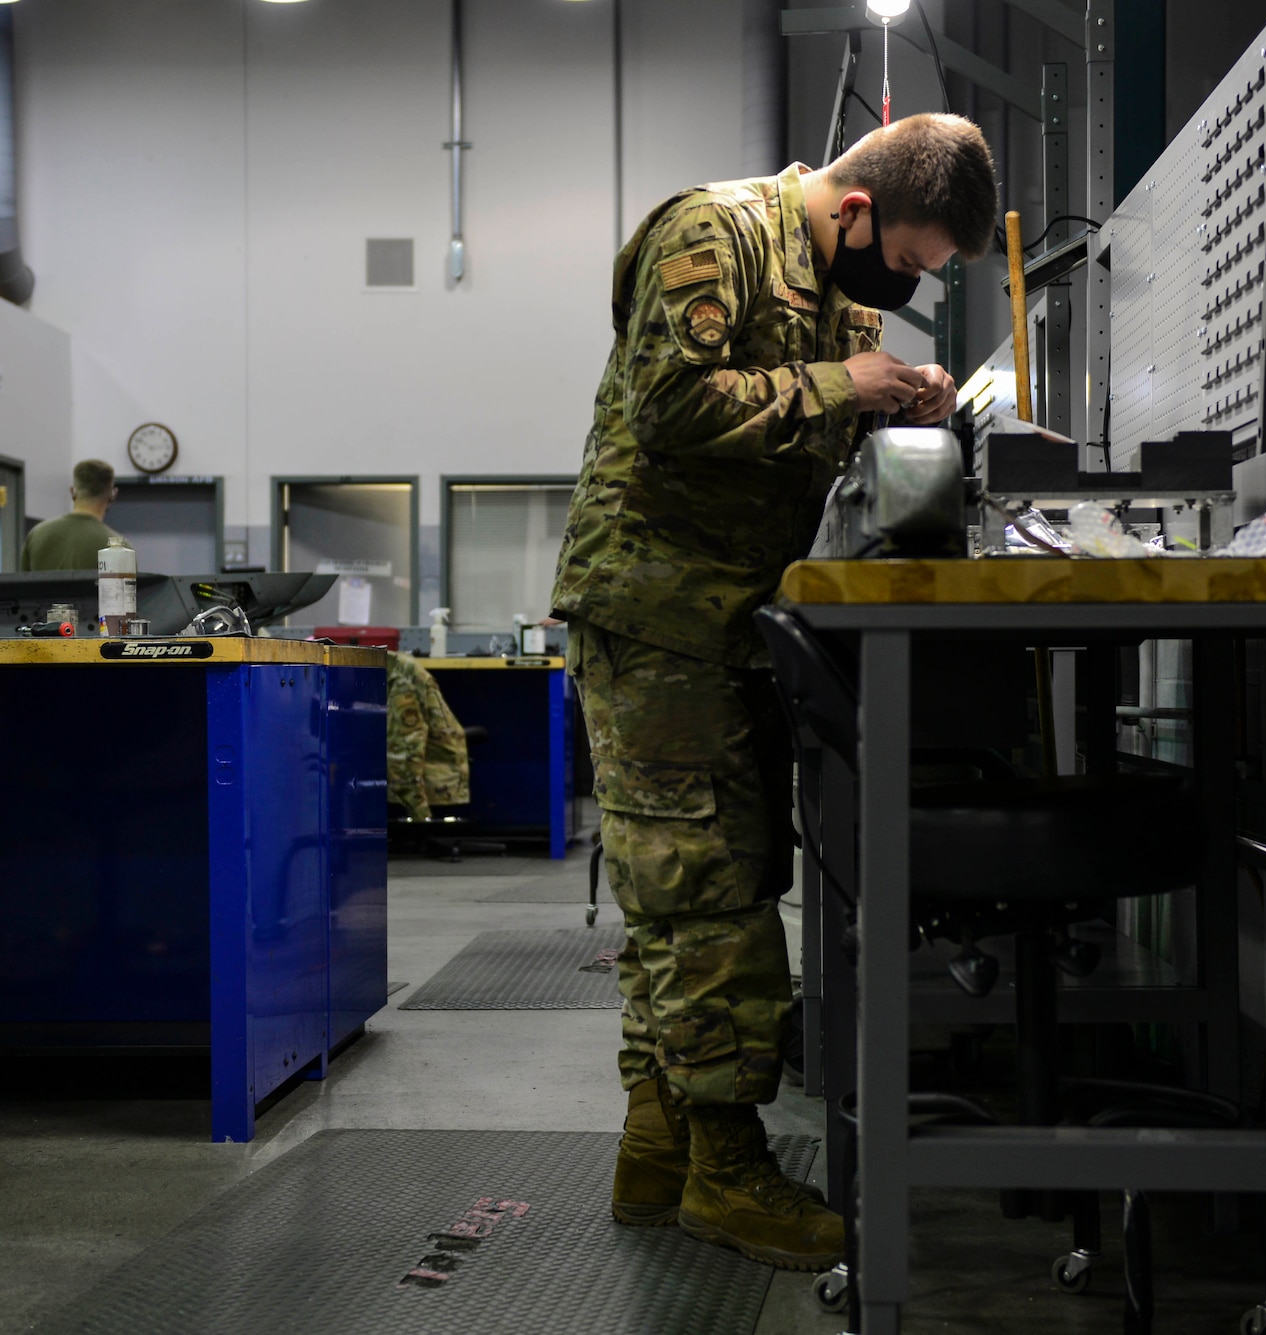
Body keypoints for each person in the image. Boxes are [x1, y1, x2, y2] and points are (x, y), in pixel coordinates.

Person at [551, 113, 999, 1272]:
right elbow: (672, 404)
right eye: (903, 264)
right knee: (707, 899)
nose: (898, 292)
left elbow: (800, 421)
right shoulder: (714, 233)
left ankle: (659, 1147)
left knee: (700, 883)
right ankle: (726, 1170)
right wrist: (834, 380)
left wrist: (887, 399)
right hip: (654, 611)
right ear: (853, 211)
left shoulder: (840, 295)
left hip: (733, 619)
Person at [386, 651, 471, 821]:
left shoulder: (401, 681)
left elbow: (406, 751)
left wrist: (420, 816)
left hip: (431, 773)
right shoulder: (386, 668)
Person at [19, 459, 122, 571]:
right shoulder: (118, 548)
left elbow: (22, 584)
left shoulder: (36, 535)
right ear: (113, 494)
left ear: (72, 491)